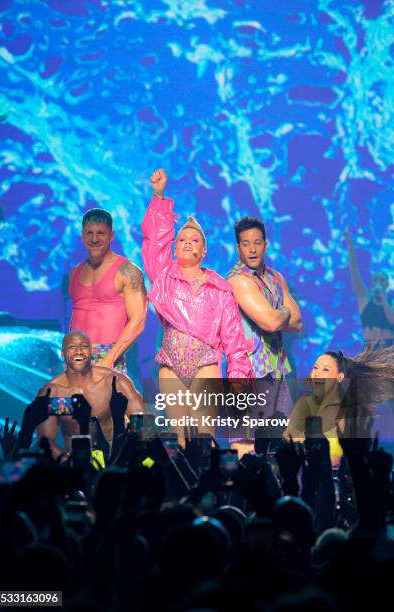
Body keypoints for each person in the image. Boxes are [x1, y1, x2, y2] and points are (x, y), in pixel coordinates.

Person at [141, 169, 252, 442]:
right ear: (175, 248)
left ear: (204, 251)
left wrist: (238, 383)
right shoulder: (163, 277)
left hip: (205, 363)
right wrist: (158, 196)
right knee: (180, 438)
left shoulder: (221, 289)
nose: (188, 242)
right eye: (182, 239)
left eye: (195, 240)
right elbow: (155, 241)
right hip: (170, 364)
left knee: (203, 438)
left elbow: (234, 341)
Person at [19, 331, 145, 459]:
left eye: (84, 346)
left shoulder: (114, 382)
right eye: (72, 347)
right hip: (77, 469)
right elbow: (46, 442)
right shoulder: (52, 392)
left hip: (119, 465)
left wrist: (131, 459)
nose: (78, 351)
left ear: (91, 352)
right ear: (62, 354)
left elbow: (143, 422)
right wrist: (71, 465)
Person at [284, 345, 394, 464]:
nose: (316, 374)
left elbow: (346, 455)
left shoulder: (347, 408)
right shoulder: (304, 402)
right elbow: (287, 437)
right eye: (315, 368)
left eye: (325, 370)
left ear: (340, 377)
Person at [69, 208, 147, 373]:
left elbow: (138, 321)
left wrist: (108, 360)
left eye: (101, 233)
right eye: (90, 233)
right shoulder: (74, 273)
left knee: (109, 399)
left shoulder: (128, 271)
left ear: (111, 235)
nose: (95, 239)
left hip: (107, 358)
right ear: (83, 235)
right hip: (74, 358)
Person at [228, 216, 302, 379]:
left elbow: (297, 323)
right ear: (238, 248)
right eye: (246, 244)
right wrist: (284, 310)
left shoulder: (276, 277)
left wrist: (277, 316)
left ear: (265, 245)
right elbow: (271, 323)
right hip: (247, 373)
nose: (252, 250)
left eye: (257, 243)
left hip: (277, 368)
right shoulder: (238, 280)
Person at [346, 228, 394, 347]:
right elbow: (354, 270)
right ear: (372, 284)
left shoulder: (391, 303)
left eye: (382, 280)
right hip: (369, 350)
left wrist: (383, 300)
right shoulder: (364, 299)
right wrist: (350, 245)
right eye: (375, 280)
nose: (378, 283)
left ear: (387, 284)